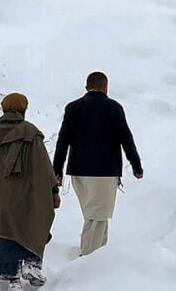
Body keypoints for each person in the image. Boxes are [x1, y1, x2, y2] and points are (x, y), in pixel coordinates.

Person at [0, 93, 59, 291]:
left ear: (3, 109)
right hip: (27, 197)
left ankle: (11, 277)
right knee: (35, 220)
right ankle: (32, 262)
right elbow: (44, 169)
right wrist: (53, 191)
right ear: (24, 110)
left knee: (4, 229)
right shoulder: (31, 134)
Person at [54, 72, 143, 255]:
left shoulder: (73, 108)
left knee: (93, 216)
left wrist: (57, 171)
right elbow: (126, 138)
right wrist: (136, 165)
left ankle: (99, 256)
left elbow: (62, 141)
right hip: (105, 171)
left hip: (78, 170)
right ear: (105, 87)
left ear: (87, 87)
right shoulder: (113, 108)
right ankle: (89, 260)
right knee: (98, 217)